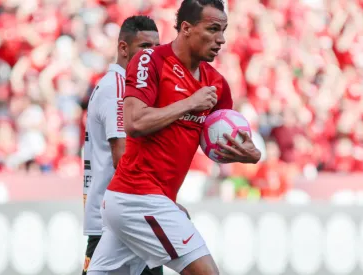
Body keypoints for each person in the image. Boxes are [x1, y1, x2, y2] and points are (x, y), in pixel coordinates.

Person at [87, 1, 261, 275]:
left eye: (224, 30)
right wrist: (189, 102)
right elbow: (134, 122)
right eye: (213, 29)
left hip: (142, 201)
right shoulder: (150, 60)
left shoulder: (216, 84)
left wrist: (249, 154)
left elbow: (221, 139)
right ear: (186, 28)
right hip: (139, 196)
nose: (221, 39)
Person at [82, 15, 174, 275]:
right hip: (121, 222)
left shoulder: (123, 86)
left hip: (123, 218)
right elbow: (122, 157)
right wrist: (159, 200)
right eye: (145, 47)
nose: (151, 56)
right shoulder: (119, 88)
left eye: (156, 49)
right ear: (123, 48)